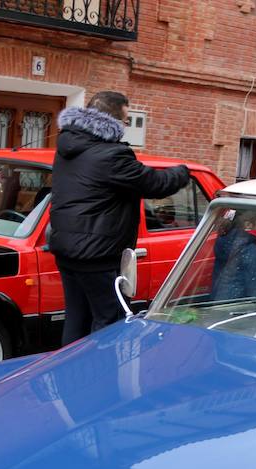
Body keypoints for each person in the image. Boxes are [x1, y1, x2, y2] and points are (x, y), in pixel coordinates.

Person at [49, 90, 190, 345]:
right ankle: (102, 379)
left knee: (76, 319)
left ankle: (69, 379)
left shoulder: (67, 146)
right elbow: (154, 184)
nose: (125, 127)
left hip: (67, 249)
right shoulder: (111, 155)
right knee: (109, 322)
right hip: (98, 254)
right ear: (112, 120)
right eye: (125, 121)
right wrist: (182, 172)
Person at [210, 212, 256, 301]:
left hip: (218, 297)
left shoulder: (223, 239)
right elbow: (254, 283)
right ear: (248, 225)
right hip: (238, 302)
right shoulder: (250, 247)